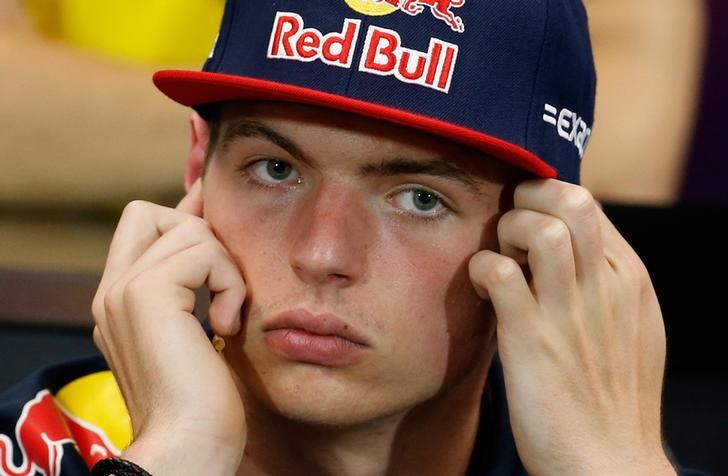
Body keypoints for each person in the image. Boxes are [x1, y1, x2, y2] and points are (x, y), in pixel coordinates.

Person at [0, 0, 712, 475]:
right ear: (197, 168)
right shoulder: (36, 449)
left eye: (419, 198)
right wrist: (182, 454)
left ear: (540, 247)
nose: (322, 254)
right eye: (275, 170)